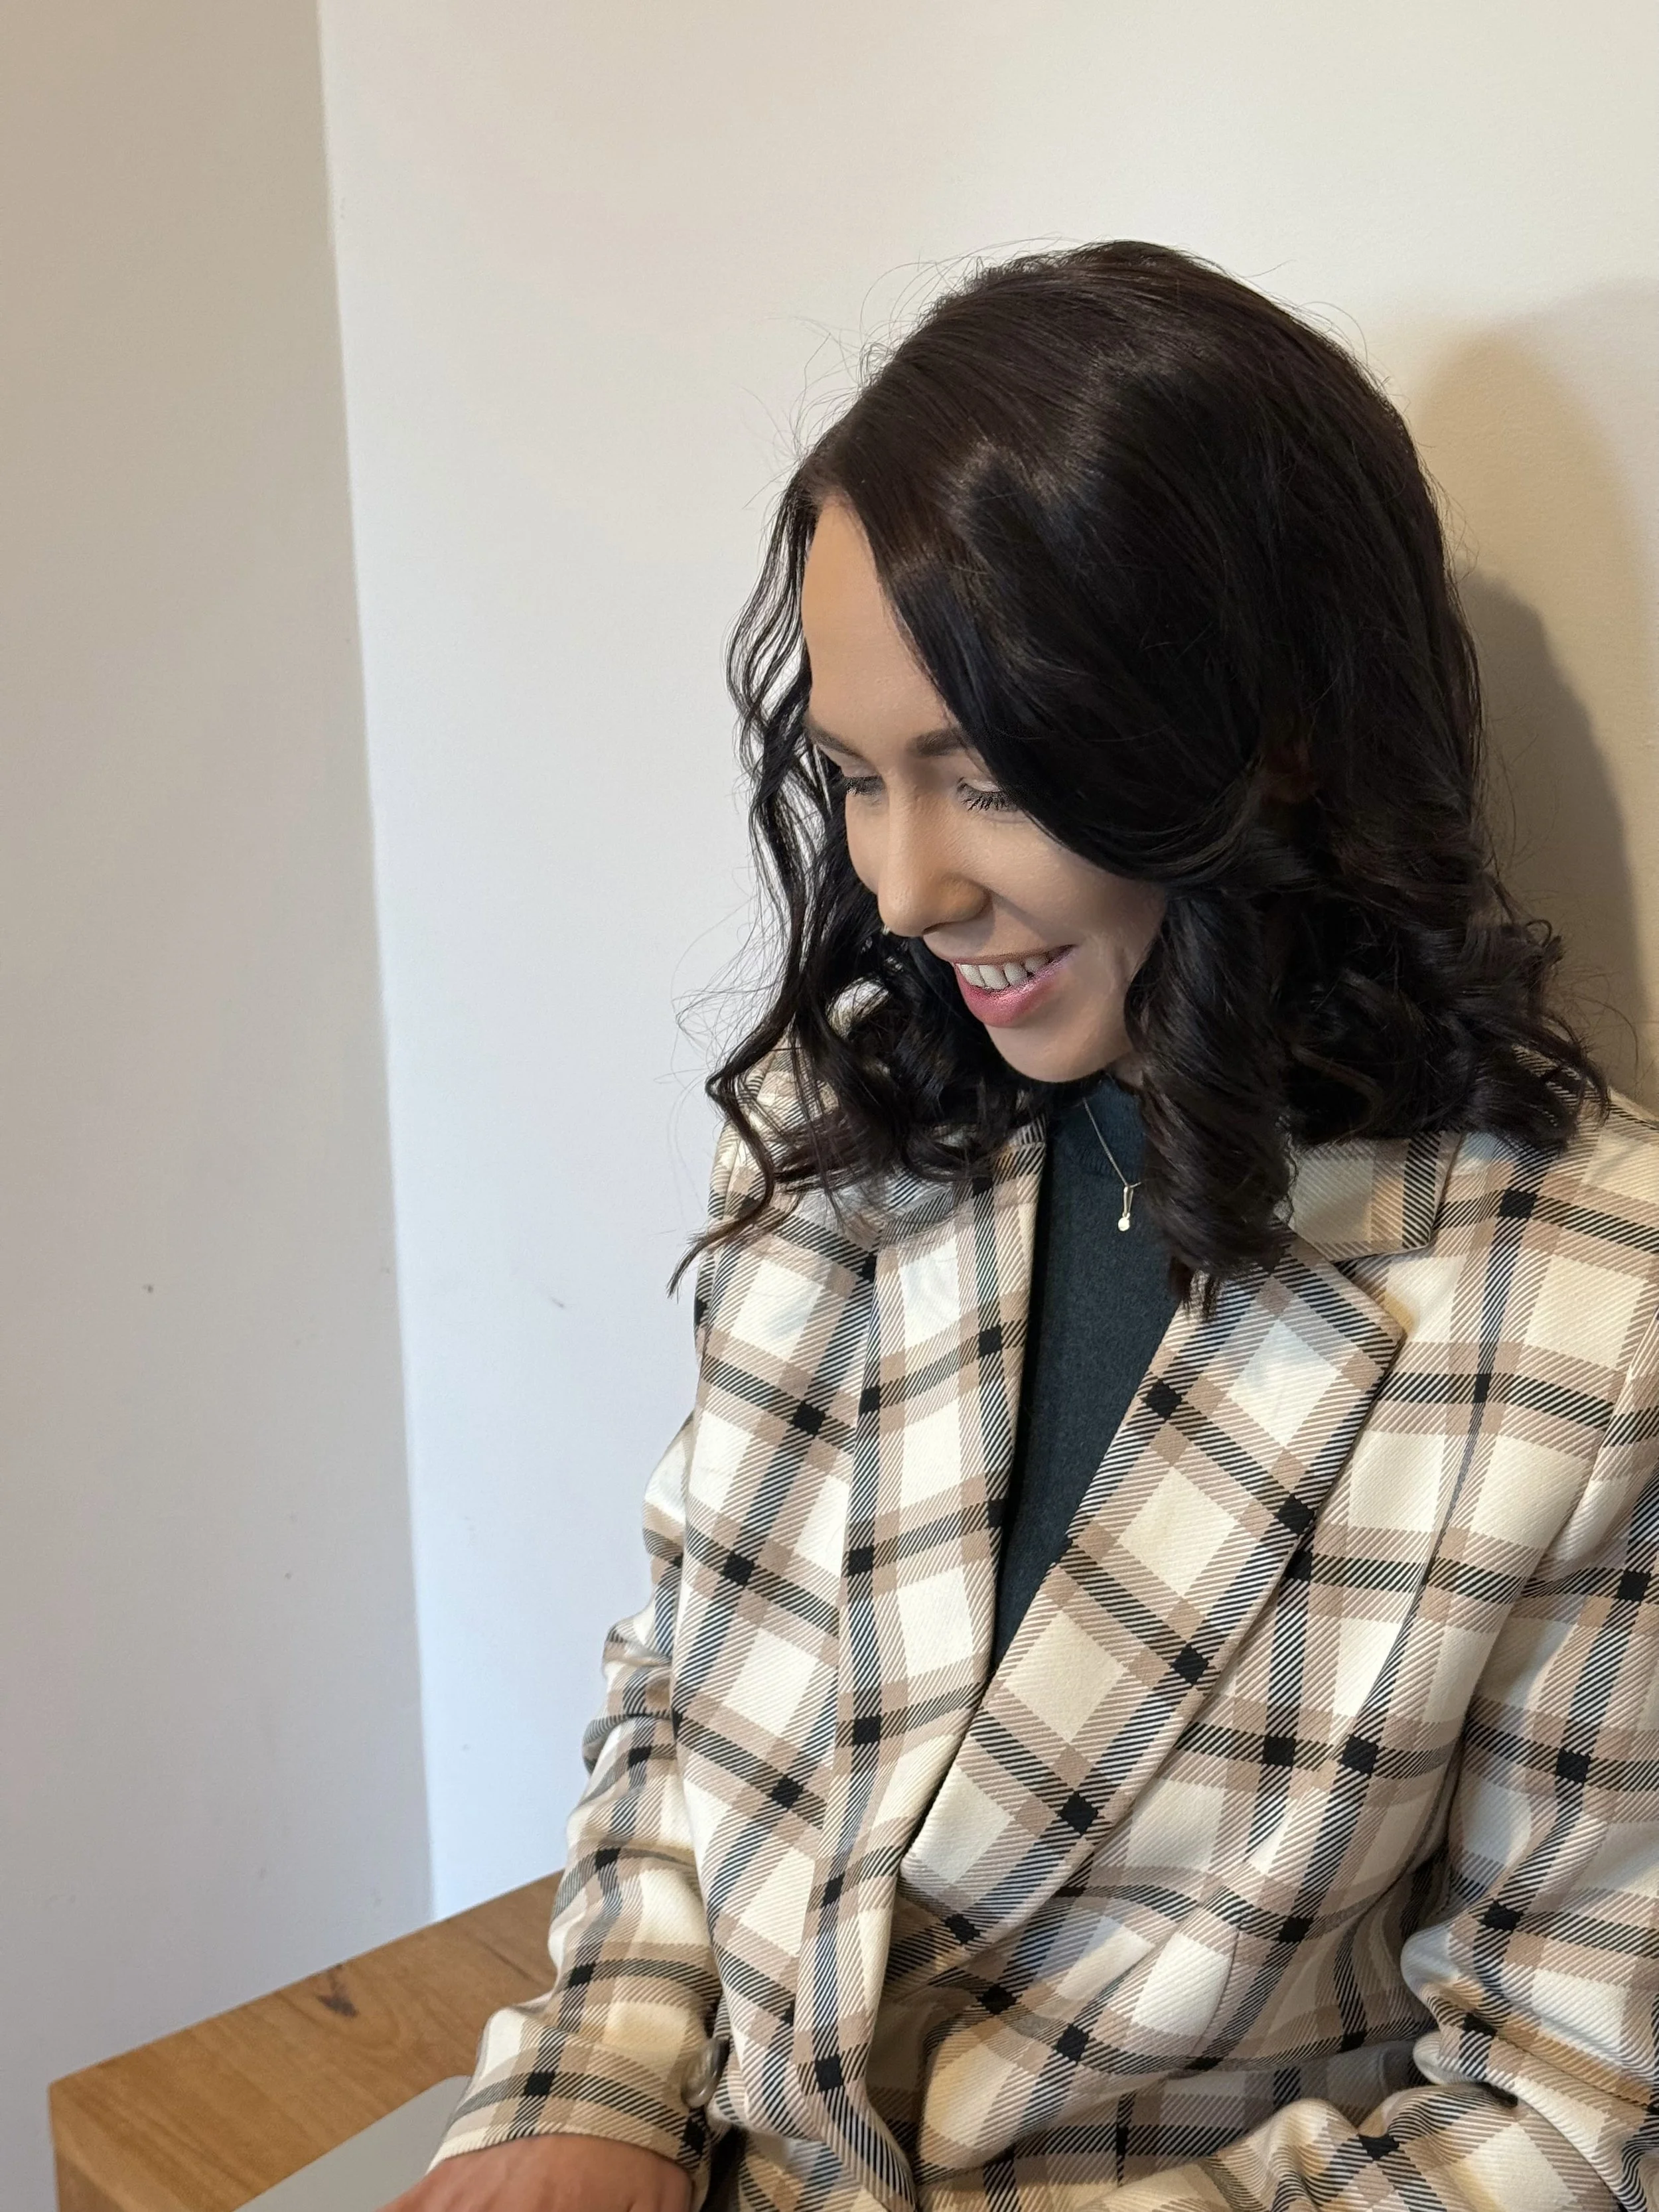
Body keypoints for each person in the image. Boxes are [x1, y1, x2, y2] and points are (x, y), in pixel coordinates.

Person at [389, 243, 1659, 2212]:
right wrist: (589, 2089)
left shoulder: (1588, 1322)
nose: (903, 888)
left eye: (982, 780)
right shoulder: (852, 1137)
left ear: (1269, 735)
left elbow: (1573, 2113)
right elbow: (692, 1687)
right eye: (852, 778)